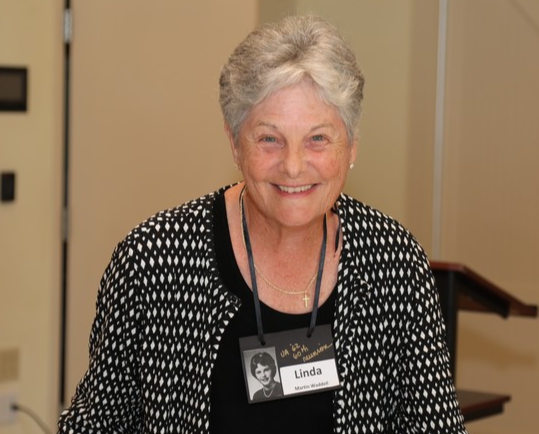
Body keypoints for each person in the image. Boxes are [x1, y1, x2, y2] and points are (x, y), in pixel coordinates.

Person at [58, 14, 468, 434]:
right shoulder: (154, 262)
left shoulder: (394, 263)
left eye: (318, 139)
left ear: (351, 148)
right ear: (235, 144)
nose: (293, 166)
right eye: (270, 139)